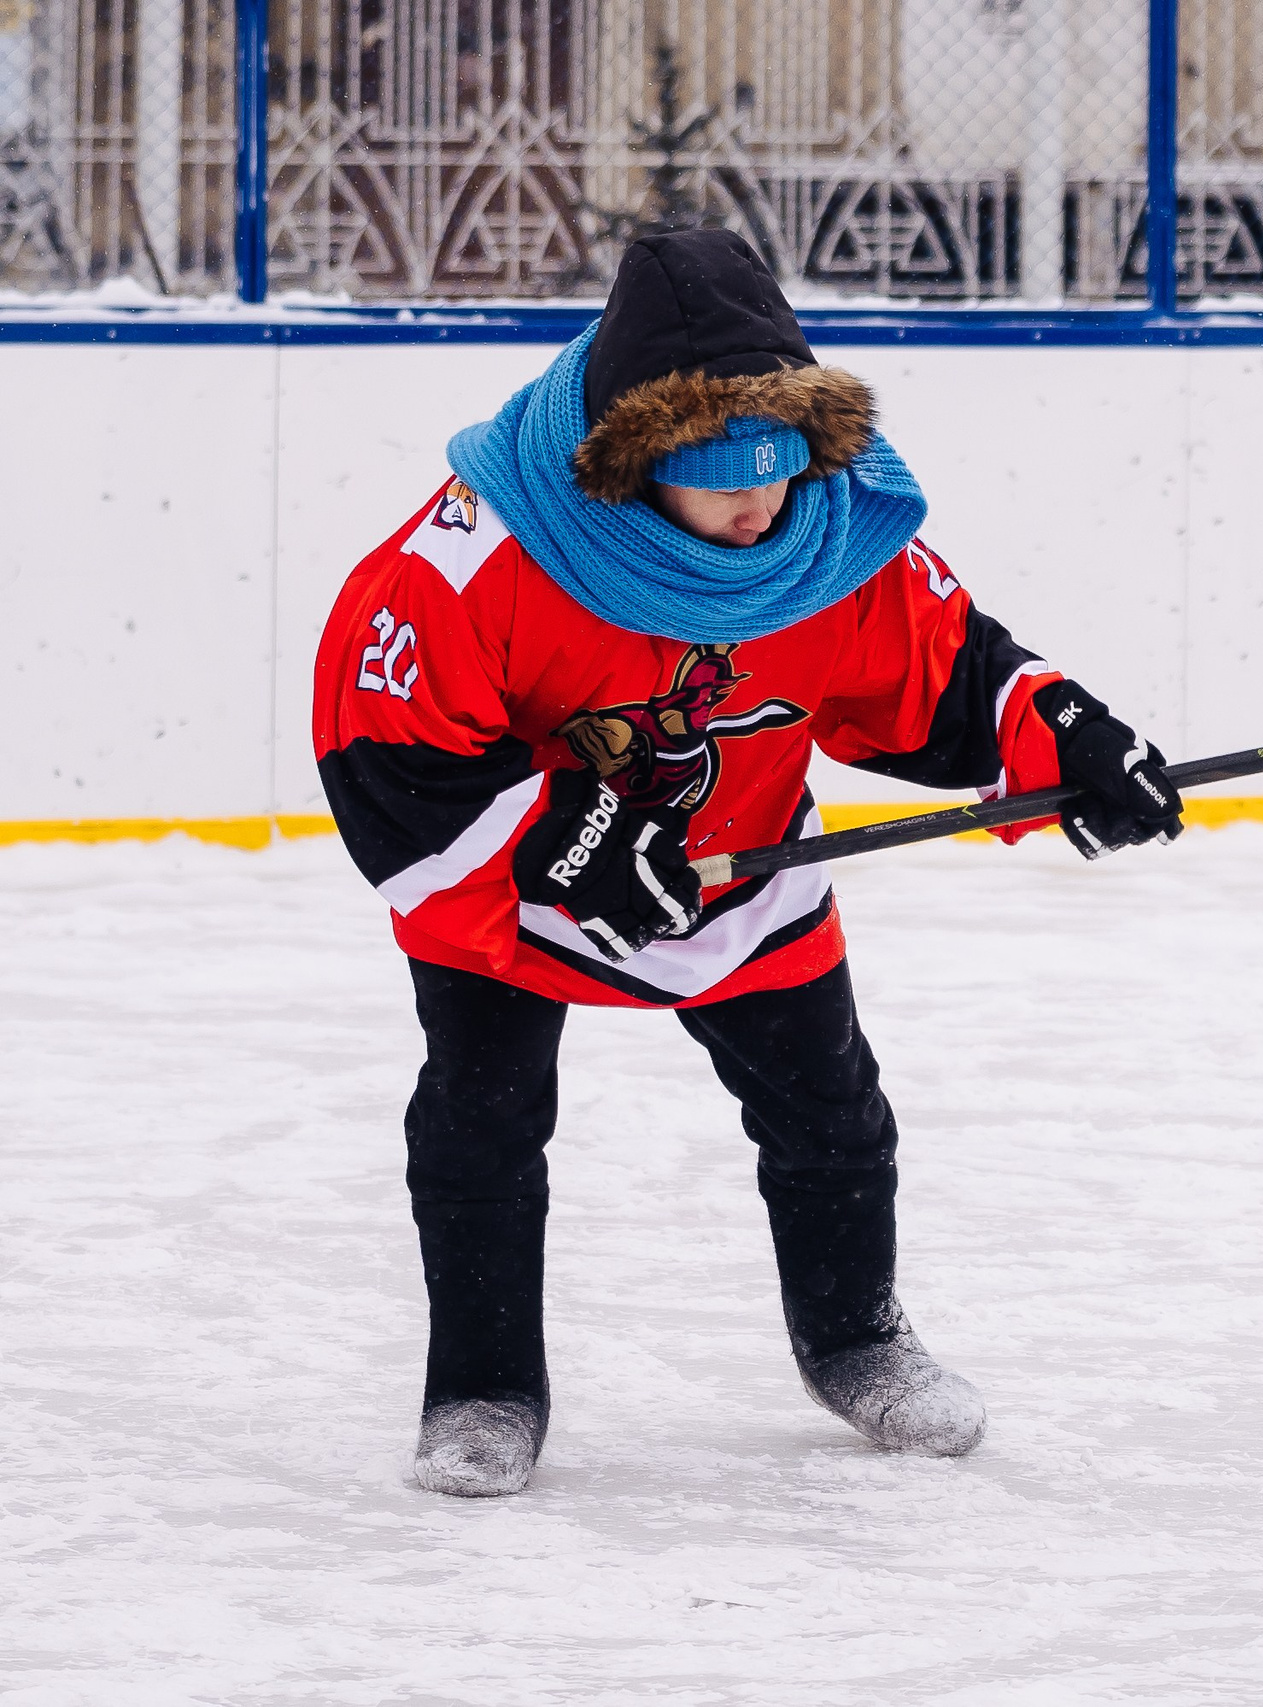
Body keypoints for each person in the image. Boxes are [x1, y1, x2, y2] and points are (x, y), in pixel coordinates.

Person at [312, 229, 1183, 1497]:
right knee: (483, 1119)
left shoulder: (835, 533)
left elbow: (947, 670)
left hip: (743, 866)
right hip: (518, 883)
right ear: (632, 455)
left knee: (831, 1110)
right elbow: (384, 739)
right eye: (719, 474)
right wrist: (569, 840)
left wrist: (1063, 735)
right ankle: (483, 1382)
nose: (758, 505)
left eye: (776, 469)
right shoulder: (480, 548)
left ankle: (853, 1338)